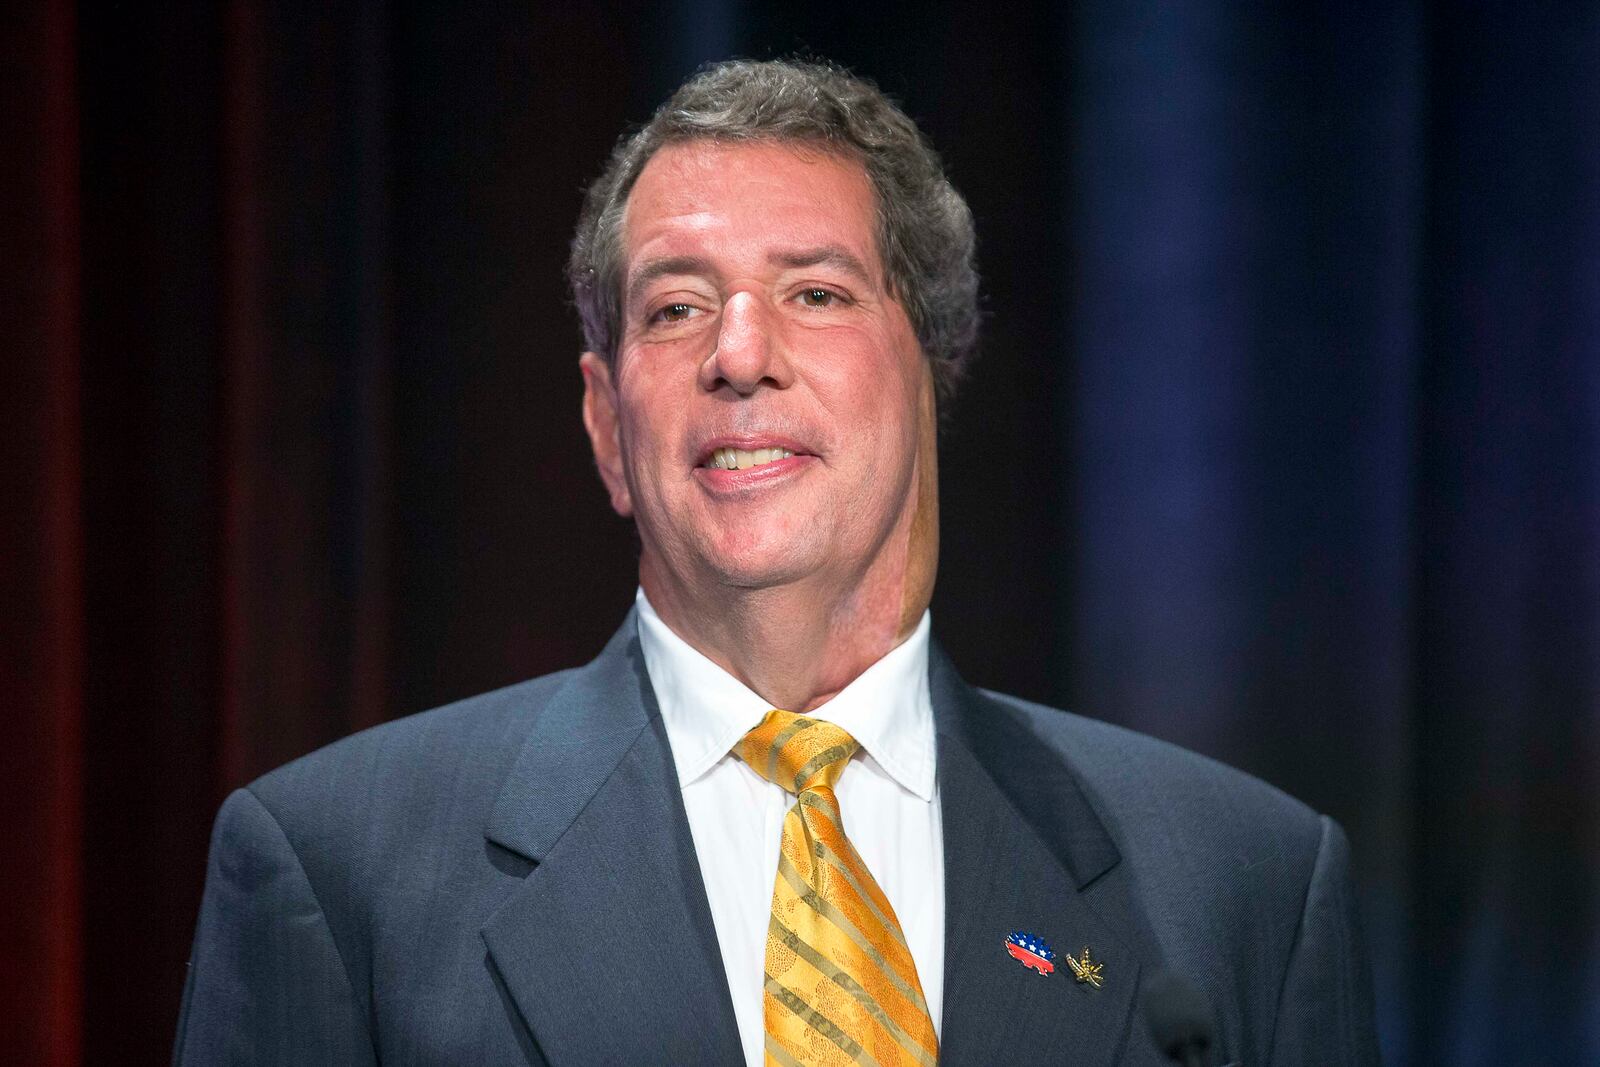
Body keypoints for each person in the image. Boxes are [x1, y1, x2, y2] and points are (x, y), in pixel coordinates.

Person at [174, 58, 1379, 1066]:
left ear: (930, 370)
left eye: (813, 291)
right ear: (606, 425)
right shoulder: (338, 875)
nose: (739, 354)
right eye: (676, 309)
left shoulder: (1242, 885)